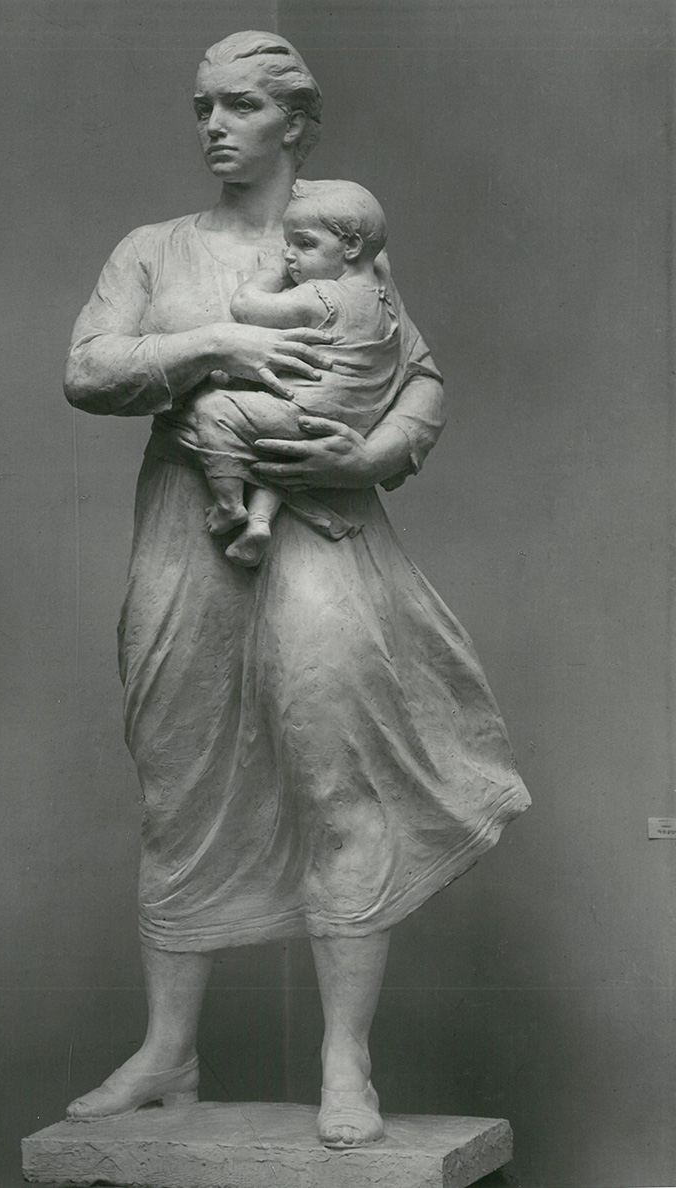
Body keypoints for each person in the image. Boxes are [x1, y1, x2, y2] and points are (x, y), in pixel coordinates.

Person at [62, 30, 530, 1148]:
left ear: (297, 123)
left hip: (322, 526)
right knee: (176, 781)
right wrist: (217, 339)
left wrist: (372, 455)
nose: (212, 125)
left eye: (238, 105)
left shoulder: (346, 246)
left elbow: (418, 379)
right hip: (189, 532)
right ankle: (168, 1051)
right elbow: (88, 368)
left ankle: (343, 1059)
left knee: (334, 778)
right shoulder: (156, 249)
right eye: (201, 105)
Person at [186, 178, 404, 567]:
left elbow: (246, 305)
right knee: (280, 455)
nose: (290, 256)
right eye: (287, 245)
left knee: (214, 410)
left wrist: (273, 268)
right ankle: (259, 523)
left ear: (352, 247)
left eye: (304, 245)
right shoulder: (380, 292)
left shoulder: (322, 295)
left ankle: (228, 505)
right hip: (349, 420)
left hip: (305, 413)